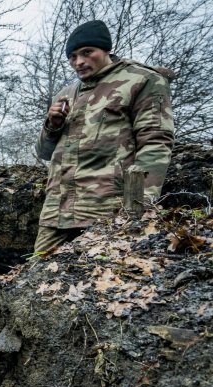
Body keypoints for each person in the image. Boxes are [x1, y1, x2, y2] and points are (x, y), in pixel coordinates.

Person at [34, 19, 174, 253]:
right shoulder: (67, 93)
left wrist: (141, 206)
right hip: (56, 214)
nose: (79, 62)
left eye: (87, 52)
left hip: (108, 210)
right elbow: (44, 153)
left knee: (101, 283)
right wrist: (53, 124)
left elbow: (155, 143)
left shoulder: (142, 80)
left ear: (106, 49)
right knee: (33, 279)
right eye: (73, 57)